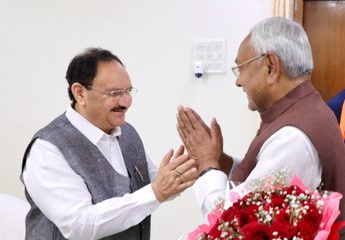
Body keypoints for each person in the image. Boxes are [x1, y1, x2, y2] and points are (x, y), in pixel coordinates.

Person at [176, 17, 345, 230]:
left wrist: (206, 165)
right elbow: (264, 180)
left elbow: (236, 225)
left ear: (270, 66)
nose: (238, 81)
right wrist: (222, 161)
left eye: (241, 68)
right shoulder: (304, 109)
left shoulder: (293, 137)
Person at [20, 48, 198, 240]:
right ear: (79, 93)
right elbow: (79, 225)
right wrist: (157, 191)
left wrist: (198, 163)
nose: (126, 101)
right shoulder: (48, 148)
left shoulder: (127, 133)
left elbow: (158, 185)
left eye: (128, 91)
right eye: (114, 93)